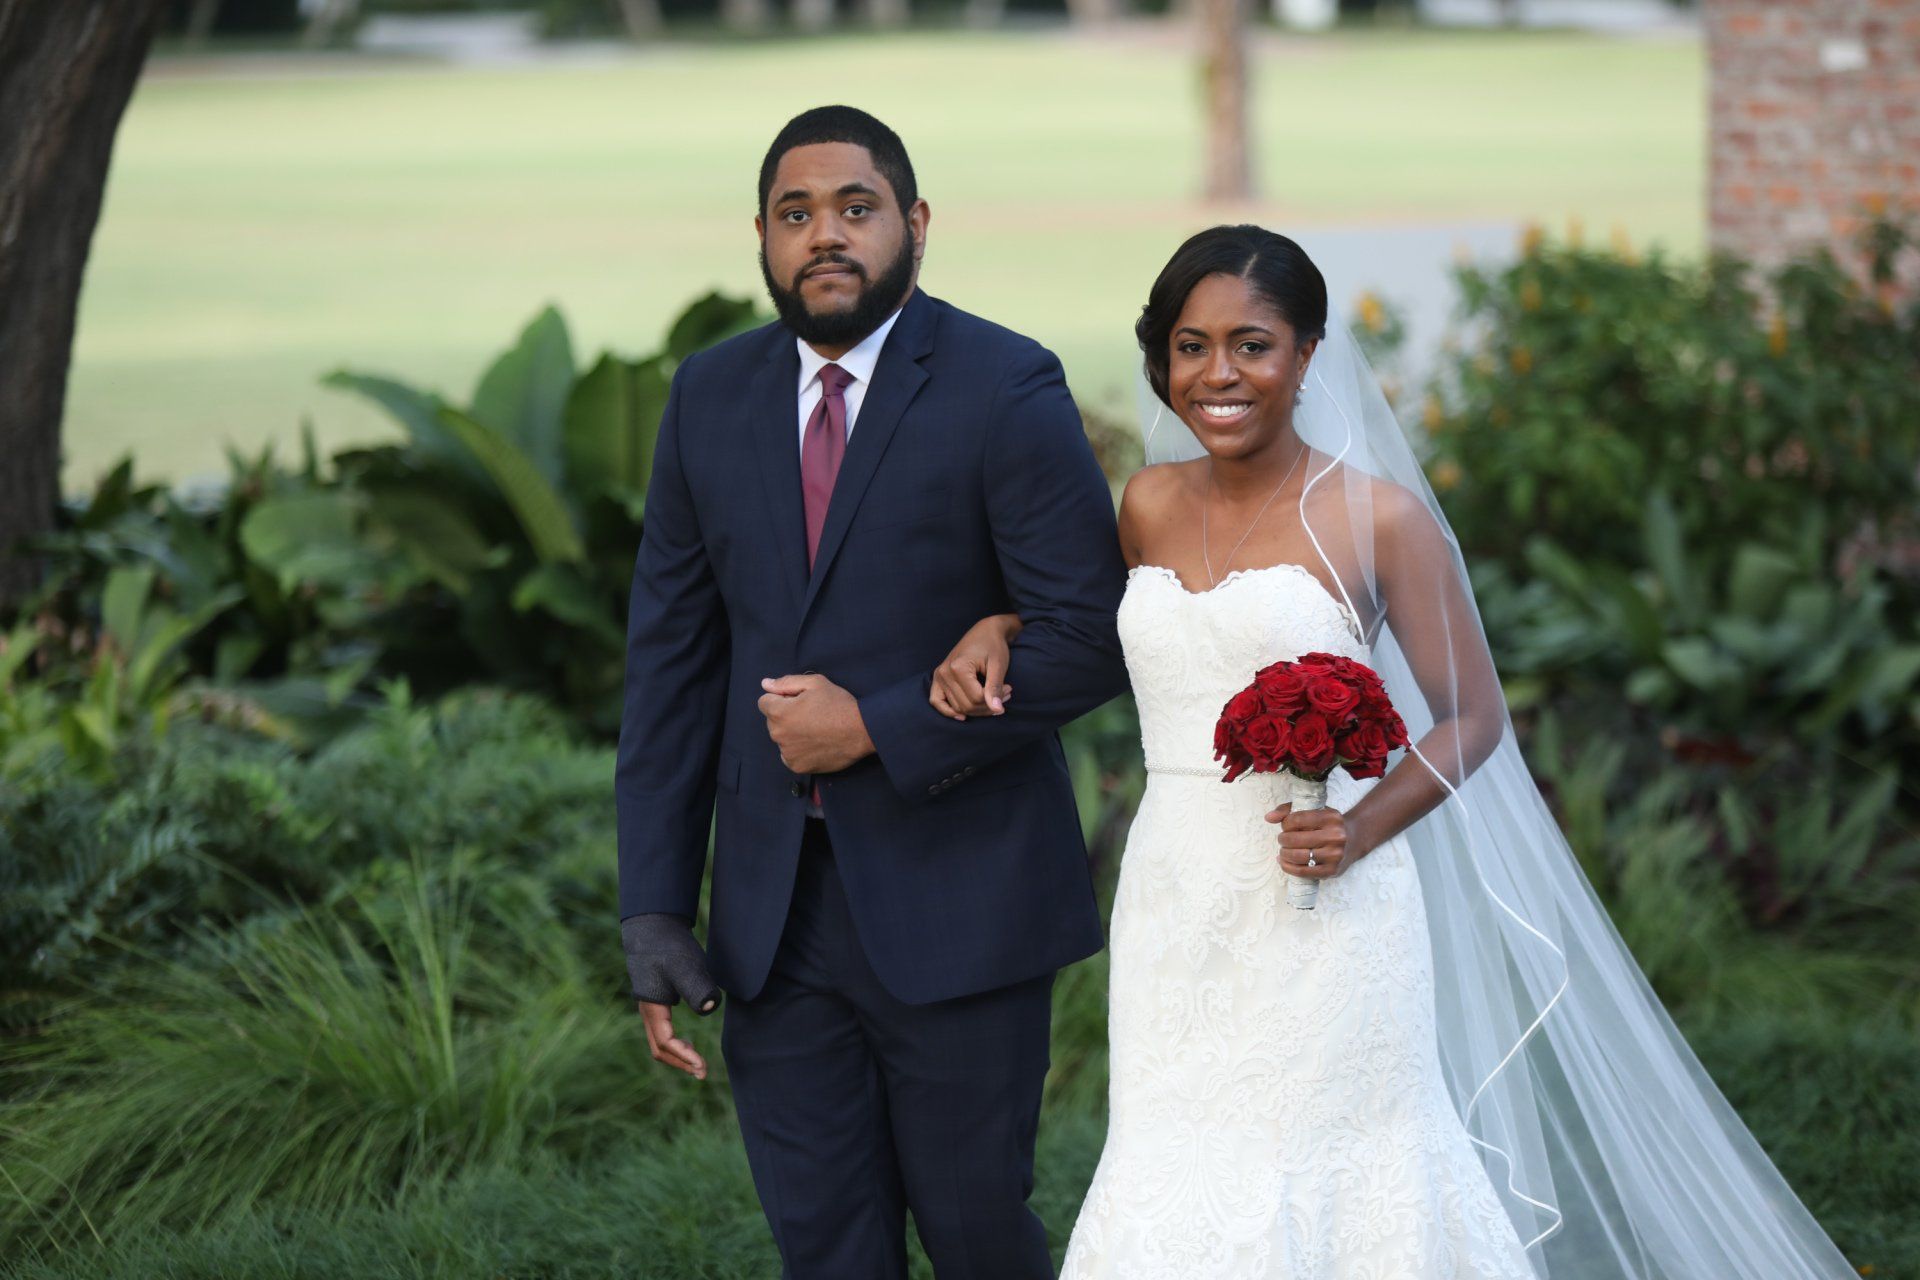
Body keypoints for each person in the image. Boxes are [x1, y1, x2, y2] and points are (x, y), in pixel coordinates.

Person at [933, 225, 1860, 1278]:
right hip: (1176, 895)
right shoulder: (1146, 502)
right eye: (1191, 347)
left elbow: (1472, 715)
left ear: (1309, 354)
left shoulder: (1379, 518)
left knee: (1333, 1160)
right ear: (1162, 359)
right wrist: (997, 627)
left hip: (1331, 900)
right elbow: (1090, 629)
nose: (1219, 374)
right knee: (1175, 1155)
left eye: (1253, 343)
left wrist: (1359, 823)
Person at [614, 105, 1129, 1280]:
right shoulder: (707, 395)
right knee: (826, 1250)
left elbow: (1094, 638)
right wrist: (654, 907)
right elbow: (672, 667)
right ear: (761, 236)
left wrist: (878, 723)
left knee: (977, 1237)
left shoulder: (1004, 383)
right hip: (771, 922)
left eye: (856, 208)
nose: (826, 236)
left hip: (962, 906)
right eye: (797, 215)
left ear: (915, 223)